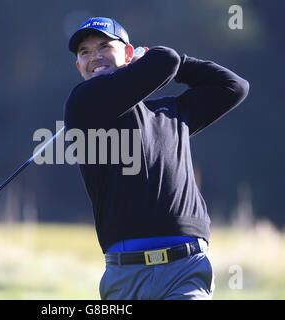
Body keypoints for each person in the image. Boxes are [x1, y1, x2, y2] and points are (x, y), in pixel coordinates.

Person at [64, 17, 249, 300]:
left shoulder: (170, 111)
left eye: (103, 46)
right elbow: (164, 60)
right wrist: (151, 61)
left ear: (127, 54)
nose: (95, 56)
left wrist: (179, 66)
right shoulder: (83, 104)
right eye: (85, 52)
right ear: (79, 66)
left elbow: (232, 86)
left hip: (185, 271)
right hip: (126, 276)